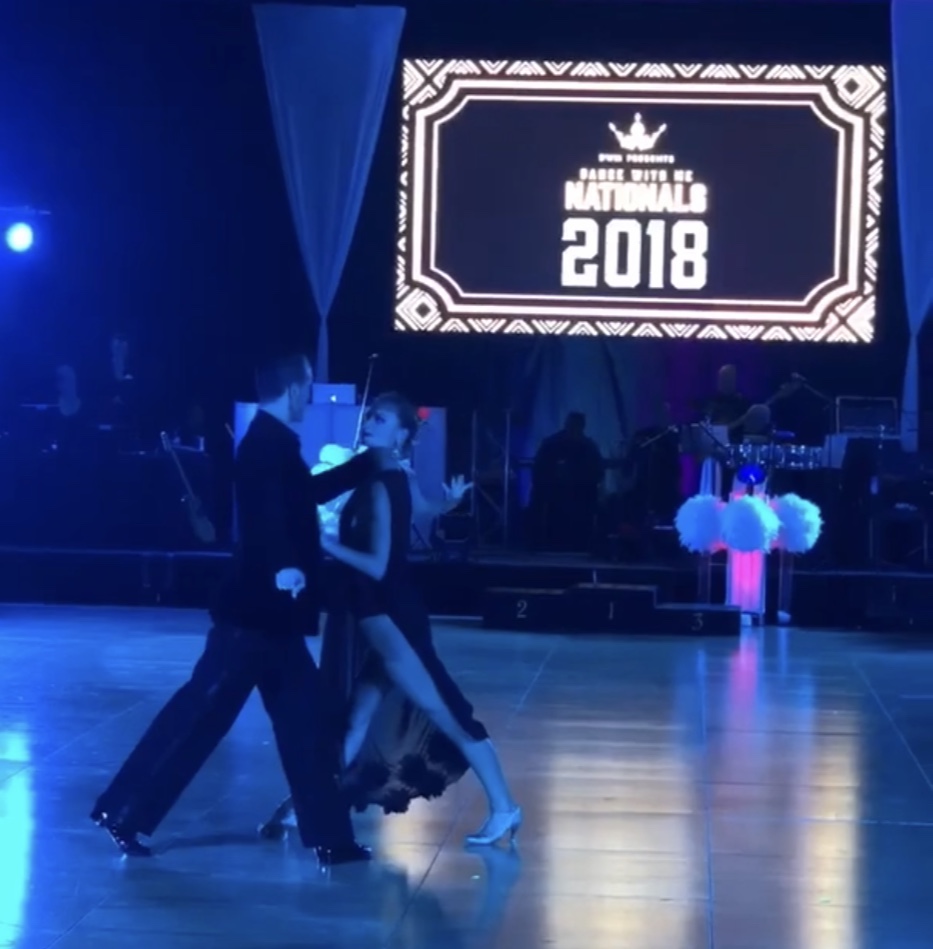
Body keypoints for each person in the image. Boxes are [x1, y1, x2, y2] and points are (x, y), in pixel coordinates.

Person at [90, 353, 377, 866]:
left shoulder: (275, 442)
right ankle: (124, 811)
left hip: (274, 620)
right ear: (293, 391)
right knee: (200, 717)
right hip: (253, 617)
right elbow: (264, 516)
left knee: (302, 726)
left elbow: (302, 495)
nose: (309, 398)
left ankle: (332, 839)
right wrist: (286, 566)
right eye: (308, 387)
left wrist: (365, 464)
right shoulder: (265, 444)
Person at [259, 393, 520, 846]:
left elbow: (379, 564)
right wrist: (449, 503)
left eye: (379, 418)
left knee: (448, 713)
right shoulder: (390, 473)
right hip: (378, 619)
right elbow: (420, 508)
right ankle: (303, 805)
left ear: (400, 434)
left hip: (394, 621)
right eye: (370, 416)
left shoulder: (384, 482)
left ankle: (504, 807)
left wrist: (323, 540)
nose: (368, 422)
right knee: (354, 719)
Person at [530, 412, 604, 550]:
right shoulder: (552, 445)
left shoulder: (588, 447)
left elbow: (598, 473)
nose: (574, 430)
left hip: (580, 498)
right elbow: (539, 472)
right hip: (556, 497)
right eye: (572, 426)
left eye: (576, 426)